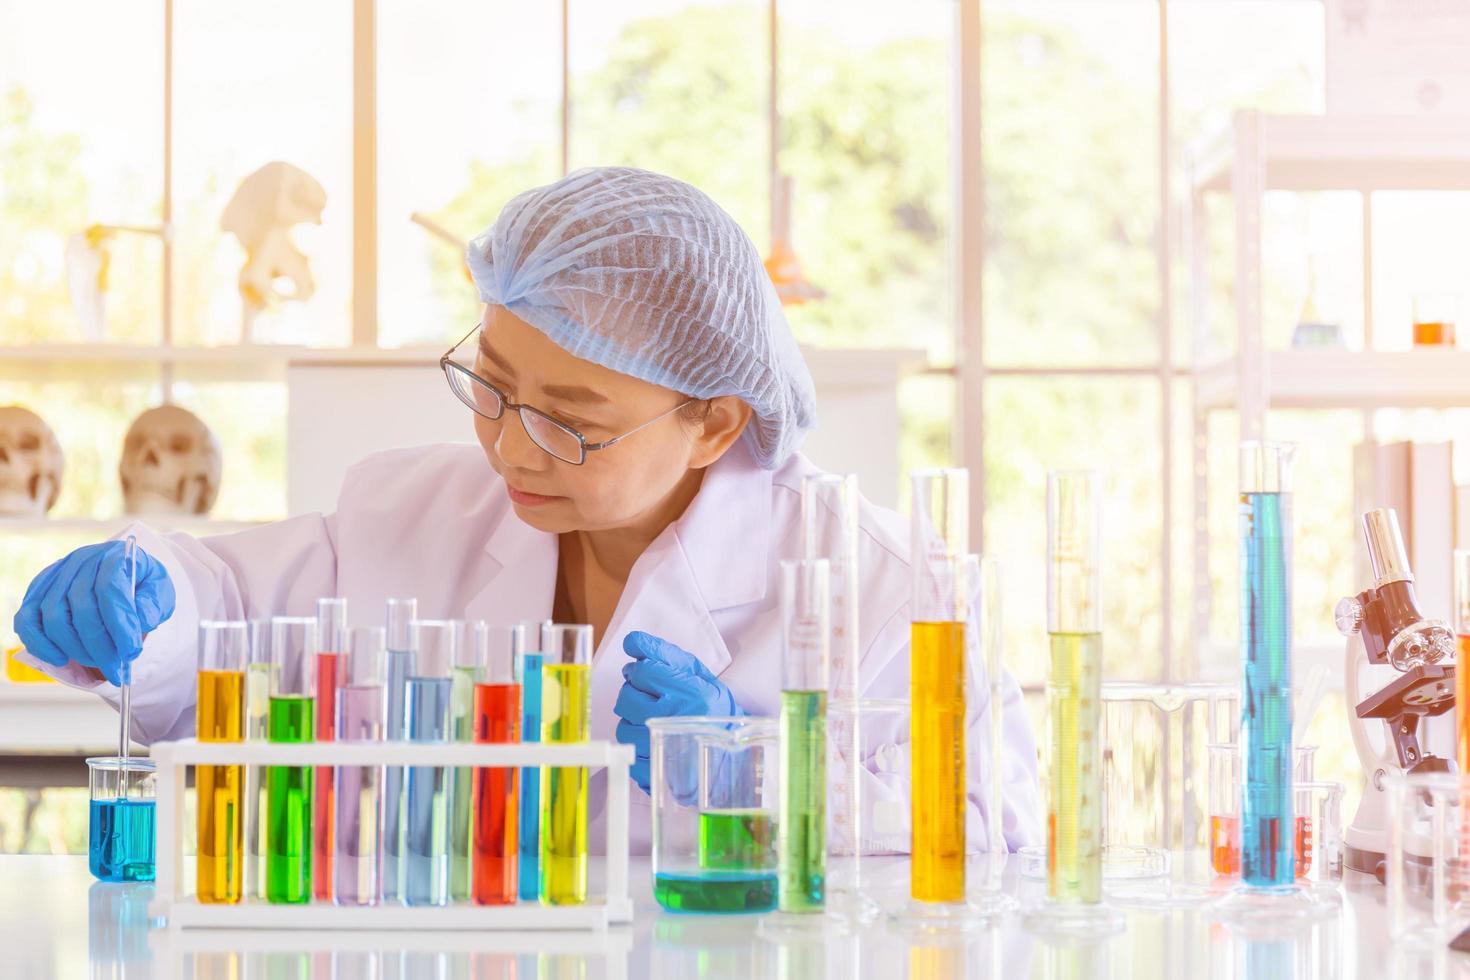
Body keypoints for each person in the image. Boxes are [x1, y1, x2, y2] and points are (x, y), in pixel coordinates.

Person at [14, 167, 1039, 853]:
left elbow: (998, 843)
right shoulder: (410, 507)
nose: (508, 444)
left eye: (570, 420)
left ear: (717, 422)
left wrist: (752, 772)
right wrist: (150, 599)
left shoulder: (885, 583)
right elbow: (238, 608)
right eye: (493, 384)